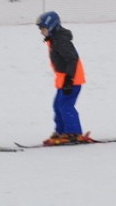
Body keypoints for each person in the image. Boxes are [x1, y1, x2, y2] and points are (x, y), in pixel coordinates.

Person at [36, 11, 92, 145]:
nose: (41, 32)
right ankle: (62, 131)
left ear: (51, 26)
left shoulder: (60, 40)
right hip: (64, 79)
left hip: (72, 79)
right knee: (57, 105)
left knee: (65, 105)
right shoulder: (54, 40)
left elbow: (72, 59)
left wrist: (69, 79)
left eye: (43, 29)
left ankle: (73, 133)